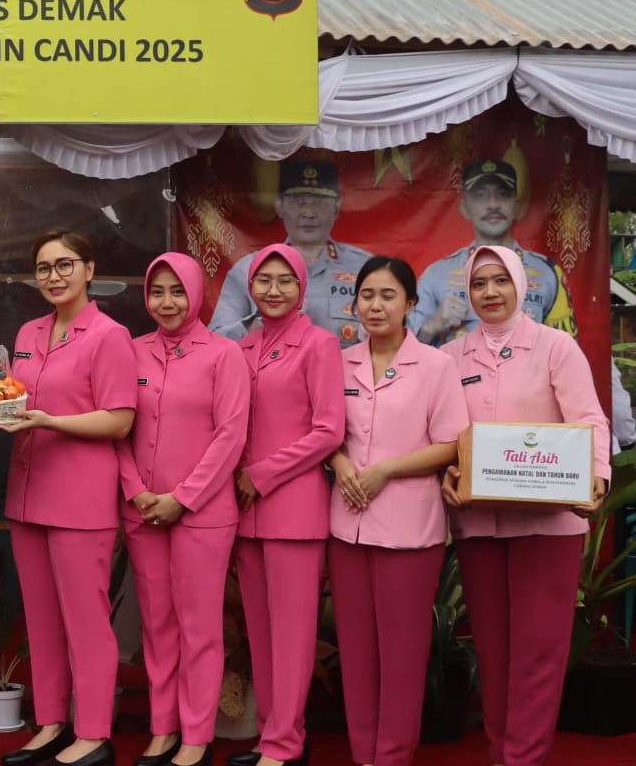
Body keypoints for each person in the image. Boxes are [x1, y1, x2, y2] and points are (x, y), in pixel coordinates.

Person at [440, 245, 610, 766]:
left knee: (539, 652)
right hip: (481, 523)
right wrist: (449, 473)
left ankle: (524, 759)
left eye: (500, 281)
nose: (490, 292)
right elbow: (444, 434)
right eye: (479, 283)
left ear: (520, 285)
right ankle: (502, 755)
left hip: (549, 523)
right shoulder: (451, 356)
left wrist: (597, 477)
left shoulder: (556, 347)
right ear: (467, 292)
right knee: (493, 652)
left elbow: (588, 419)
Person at [0, 229, 136, 766]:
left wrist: (49, 420)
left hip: (81, 498)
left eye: (64, 264)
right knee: (40, 619)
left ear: (89, 269)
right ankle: (51, 723)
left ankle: (94, 733)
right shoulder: (28, 331)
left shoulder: (109, 335)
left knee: (86, 621)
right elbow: (13, 398)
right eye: (44, 267)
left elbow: (119, 420)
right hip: (27, 492)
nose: (53, 276)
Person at [326, 257, 468, 766]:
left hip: (410, 530)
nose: (376, 305)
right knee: (356, 651)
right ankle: (364, 753)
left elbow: (451, 444)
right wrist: (340, 461)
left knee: (402, 655)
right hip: (347, 526)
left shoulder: (436, 365)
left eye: (388, 295)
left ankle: (392, 756)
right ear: (354, 303)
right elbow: (323, 431)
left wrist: (386, 470)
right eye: (367, 295)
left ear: (410, 304)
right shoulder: (337, 362)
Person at [122, 253, 250, 766]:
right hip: (143, 511)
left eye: (178, 291)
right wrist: (135, 490)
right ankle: (163, 729)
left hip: (203, 514)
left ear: (196, 293)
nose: (167, 302)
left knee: (200, 629)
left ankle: (196, 735)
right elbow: (118, 427)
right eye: (157, 291)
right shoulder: (131, 352)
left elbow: (231, 436)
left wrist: (183, 498)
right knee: (157, 626)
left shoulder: (224, 354)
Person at [228, 244, 345, 766]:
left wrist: (262, 474)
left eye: (285, 281)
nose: (273, 290)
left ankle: (285, 743)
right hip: (245, 511)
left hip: (293, 508)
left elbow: (328, 431)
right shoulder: (243, 347)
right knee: (260, 632)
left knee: (293, 636)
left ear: (302, 287)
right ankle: (272, 736)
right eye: (264, 280)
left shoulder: (319, 344)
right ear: (250, 286)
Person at [411, 160, 575, 346]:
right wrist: (432, 326)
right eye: (480, 195)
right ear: (465, 208)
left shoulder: (547, 273)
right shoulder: (436, 274)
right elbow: (402, 354)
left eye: (503, 194)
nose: (493, 204)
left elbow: (567, 349)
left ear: (517, 206)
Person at [209, 161, 372, 349]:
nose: (308, 213)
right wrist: (259, 323)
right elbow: (216, 342)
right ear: (279, 206)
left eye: (319, 202)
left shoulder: (365, 267)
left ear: (337, 207)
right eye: (298, 202)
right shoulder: (247, 269)